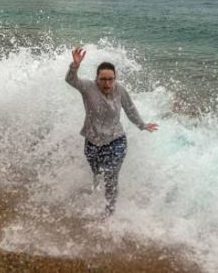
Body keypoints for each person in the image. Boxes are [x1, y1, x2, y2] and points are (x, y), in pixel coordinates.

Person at [65, 47, 158, 217]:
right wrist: (75, 65)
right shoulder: (88, 87)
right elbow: (70, 80)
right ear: (97, 79)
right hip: (92, 140)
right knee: (97, 172)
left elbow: (130, 110)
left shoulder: (120, 90)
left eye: (111, 79)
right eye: (103, 79)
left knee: (111, 176)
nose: (107, 83)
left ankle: (109, 212)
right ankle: (95, 187)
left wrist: (142, 125)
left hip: (116, 140)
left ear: (115, 78)